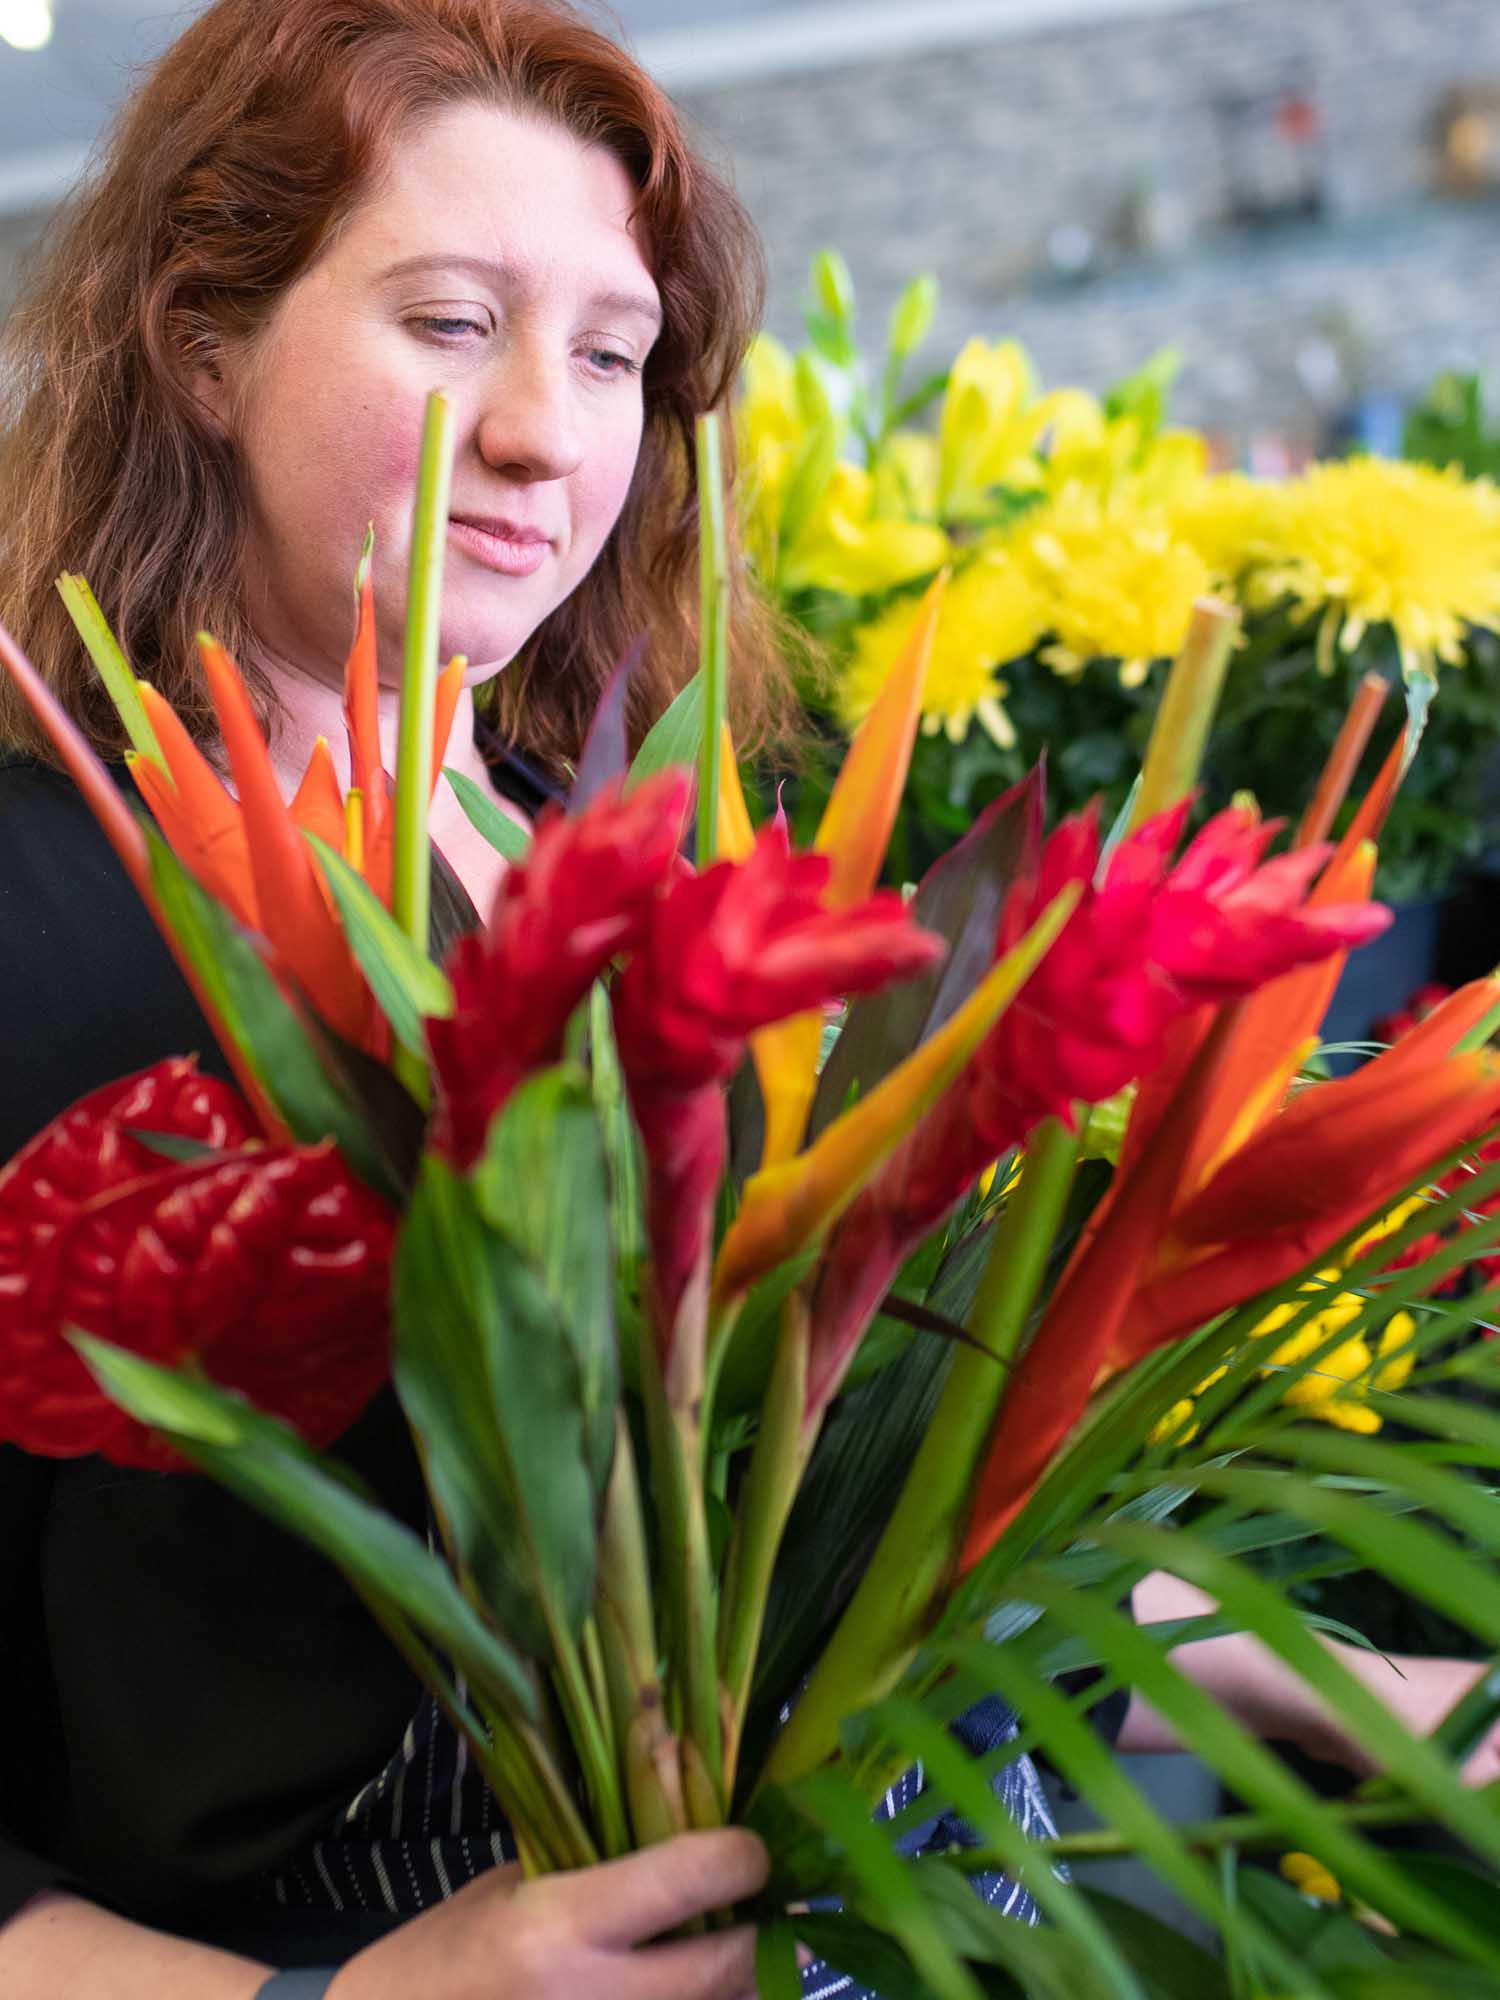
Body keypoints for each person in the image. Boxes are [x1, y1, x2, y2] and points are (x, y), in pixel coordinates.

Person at [0, 5, 1496, 1998]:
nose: (550, 429)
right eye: (451, 325)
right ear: (203, 341)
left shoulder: (599, 851)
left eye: (613, 353)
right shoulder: (41, 916)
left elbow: (827, 1514)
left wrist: (1354, 1689)